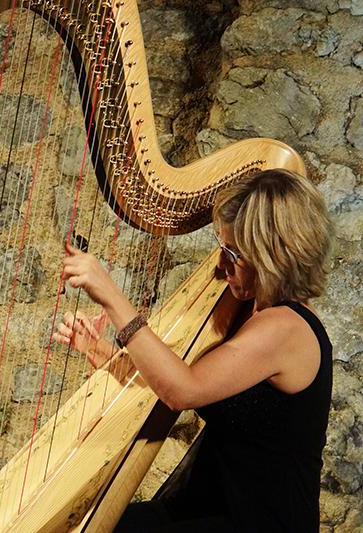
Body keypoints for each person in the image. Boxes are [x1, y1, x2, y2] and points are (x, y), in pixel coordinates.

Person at [55, 168, 333, 532]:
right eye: (222, 248)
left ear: (272, 257)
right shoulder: (250, 310)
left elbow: (182, 390)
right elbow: (171, 381)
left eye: (232, 253)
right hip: (211, 505)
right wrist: (99, 350)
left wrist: (110, 296)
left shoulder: (285, 329)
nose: (221, 265)